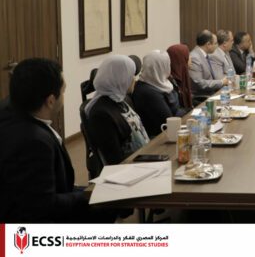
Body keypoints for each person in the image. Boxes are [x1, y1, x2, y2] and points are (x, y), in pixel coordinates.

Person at [0, 58, 90, 222]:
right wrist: (89, 195)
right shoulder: (34, 142)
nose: (64, 96)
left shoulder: (10, 110)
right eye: (63, 91)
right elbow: (43, 206)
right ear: (50, 101)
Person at [85, 55, 149, 165]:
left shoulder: (120, 100)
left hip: (143, 158)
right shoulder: (101, 114)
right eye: (131, 75)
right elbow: (115, 160)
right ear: (120, 78)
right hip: (131, 168)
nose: (134, 79)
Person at [132, 51, 184, 138]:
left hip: (176, 128)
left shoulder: (164, 81)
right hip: (161, 138)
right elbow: (168, 121)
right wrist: (187, 111)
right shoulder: (147, 92)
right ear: (163, 67)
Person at [189, 30, 229, 100]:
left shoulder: (204, 55)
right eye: (215, 43)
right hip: (202, 97)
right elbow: (199, 83)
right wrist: (221, 82)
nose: (217, 46)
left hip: (212, 93)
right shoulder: (195, 58)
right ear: (208, 44)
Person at [167, 44, 193, 111]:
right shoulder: (171, 81)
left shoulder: (183, 74)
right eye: (188, 55)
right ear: (180, 58)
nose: (190, 58)